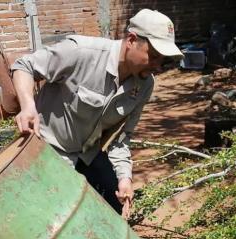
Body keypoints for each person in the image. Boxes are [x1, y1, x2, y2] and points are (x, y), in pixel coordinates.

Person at [11, 8, 183, 215]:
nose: (158, 66)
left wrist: (125, 178)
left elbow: (122, 138)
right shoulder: (80, 52)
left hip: (88, 154)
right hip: (50, 150)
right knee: (61, 215)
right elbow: (24, 66)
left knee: (115, 207)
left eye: (162, 60)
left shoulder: (144, 84)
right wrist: (28, 105)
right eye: (153, 56)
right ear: (131, 40)